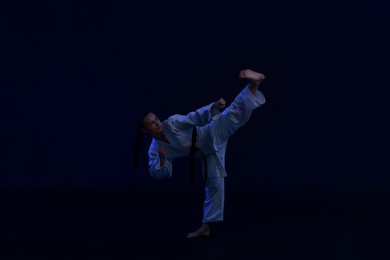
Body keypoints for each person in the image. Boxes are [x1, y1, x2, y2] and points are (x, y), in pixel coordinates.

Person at [136, 69, 266, 238]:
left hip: (208, 133)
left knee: (232, 115)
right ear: (146, 131)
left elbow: (193, 117)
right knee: (214, 184)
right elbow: (157, 172)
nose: (156, 122)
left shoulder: (172, 122)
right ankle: (206, 227)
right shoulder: (155, 149)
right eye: (151, 124)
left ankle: (254, 83)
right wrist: (162, 158)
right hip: (205, 153)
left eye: (156, 119)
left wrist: (213, 107)